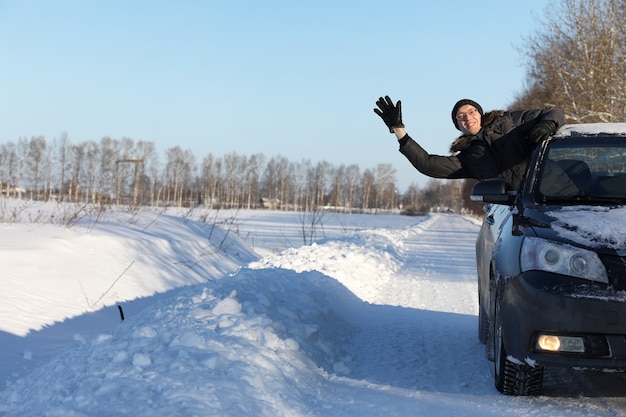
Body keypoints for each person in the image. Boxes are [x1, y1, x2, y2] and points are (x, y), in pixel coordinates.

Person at [373, 96, 565, 189]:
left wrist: (548, 125)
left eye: (472, 111)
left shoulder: (509, 121)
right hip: (523, 210)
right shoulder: (468, 159)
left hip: (561, 190)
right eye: (461, 116)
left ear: (480, 115)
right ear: (459, 125)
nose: (467, 117)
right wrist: (399, 130)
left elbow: (552, 112)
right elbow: (428, 164)